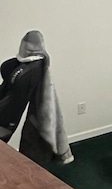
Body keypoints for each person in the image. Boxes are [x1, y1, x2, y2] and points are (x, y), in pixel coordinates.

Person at [0, 31, 73, 165]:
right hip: (8, 118)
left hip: (27, 123)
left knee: (34, 138)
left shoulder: (32, 72)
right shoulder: (22, 71)